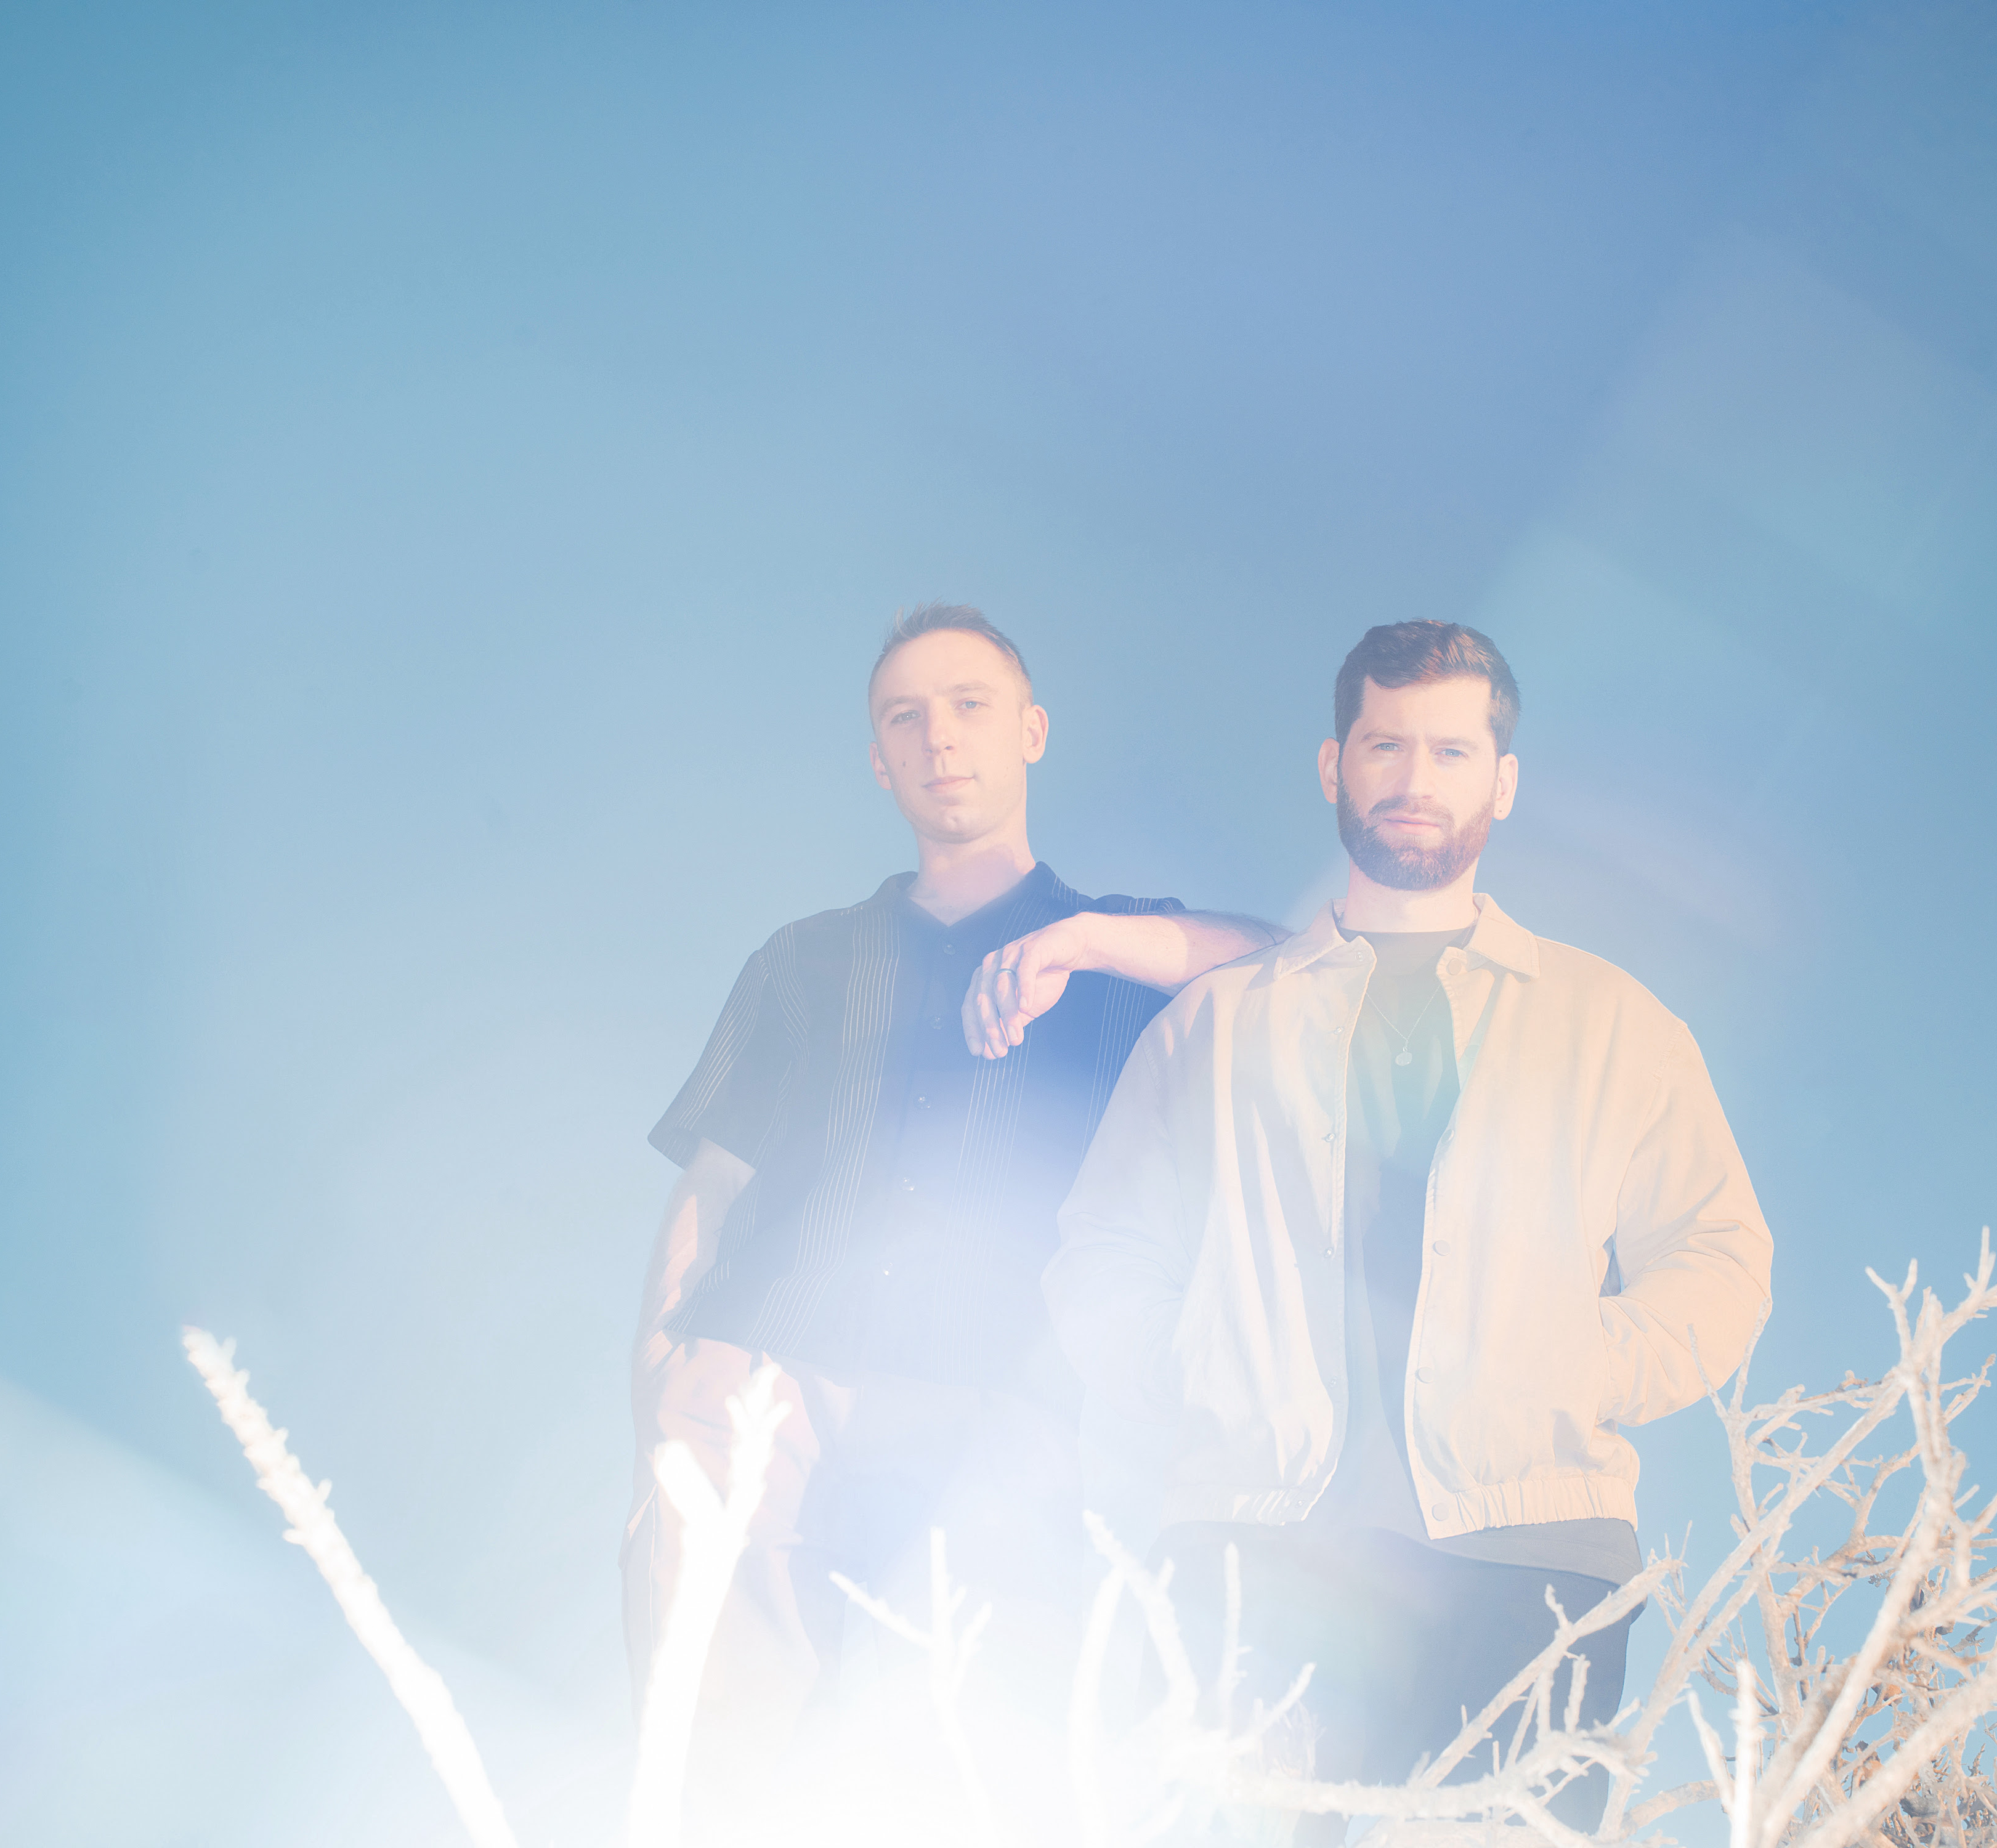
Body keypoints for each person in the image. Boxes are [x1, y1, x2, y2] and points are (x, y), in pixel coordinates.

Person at [1046, 620, 1773, 1841]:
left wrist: (1578, 1367)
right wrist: (1189, 1381)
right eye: (1385, 745)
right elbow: (1101, 1253)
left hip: (1531, 1561)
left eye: (1449, 751)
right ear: (1334, 766)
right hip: (1256, 1543)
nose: (1413, 781)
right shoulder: (1216, 1027)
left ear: (1502, 780)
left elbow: (1715, 1255)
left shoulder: (1609, 1022)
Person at [626, 602, 1278, 1833]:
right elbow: (711, 1185)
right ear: (878, 760)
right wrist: (659, 1366)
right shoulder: (803, 960)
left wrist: (1088, 940)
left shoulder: (1120, 964)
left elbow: (1296, 971)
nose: (940, 740)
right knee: (718, 1750)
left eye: (970, 707)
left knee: (949, 1758)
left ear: (1031, 731)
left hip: (996, 1423)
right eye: (905, 718)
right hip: (775, 1392)